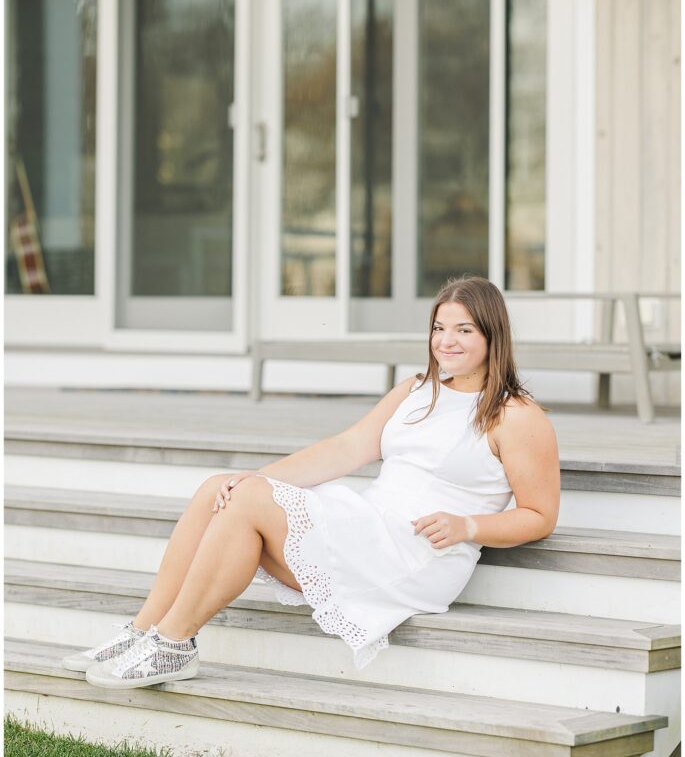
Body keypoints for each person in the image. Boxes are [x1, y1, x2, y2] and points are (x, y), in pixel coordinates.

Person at [62, 275, 560, 687]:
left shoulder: (516, 416)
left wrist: (468, 526)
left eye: (464, 330)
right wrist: (253, 477)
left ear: (493, 335)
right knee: (220, 488)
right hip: (370, 524)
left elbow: (540, 515)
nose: (446, 341)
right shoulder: (416, 390)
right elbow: (346, 449)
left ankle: (174, 642)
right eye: (438, 328)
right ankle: (146, 629)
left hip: (417, 554)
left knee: (247, 500)